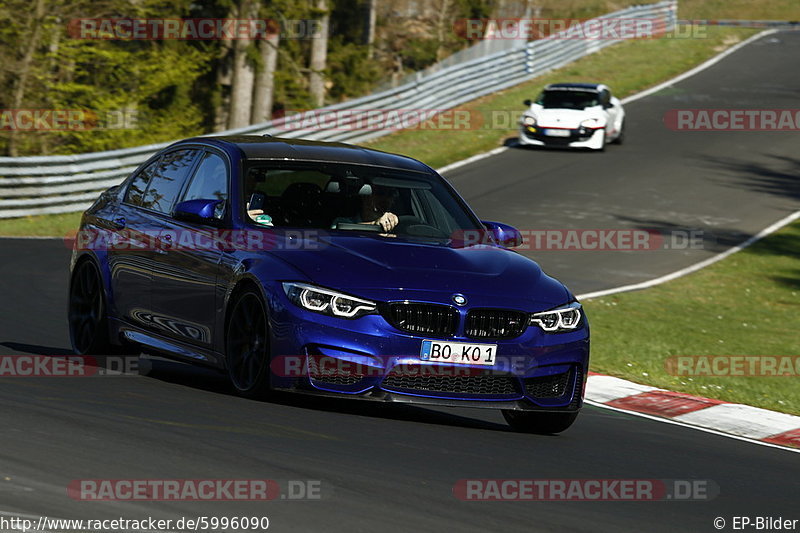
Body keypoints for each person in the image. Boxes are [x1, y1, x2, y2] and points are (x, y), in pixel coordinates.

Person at [333, 184, 399, 232]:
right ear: (366, 198)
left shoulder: (397, 226)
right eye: (380, 194)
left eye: (390, 194)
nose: (386, 199)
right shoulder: (342, 222)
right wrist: (374, 224)